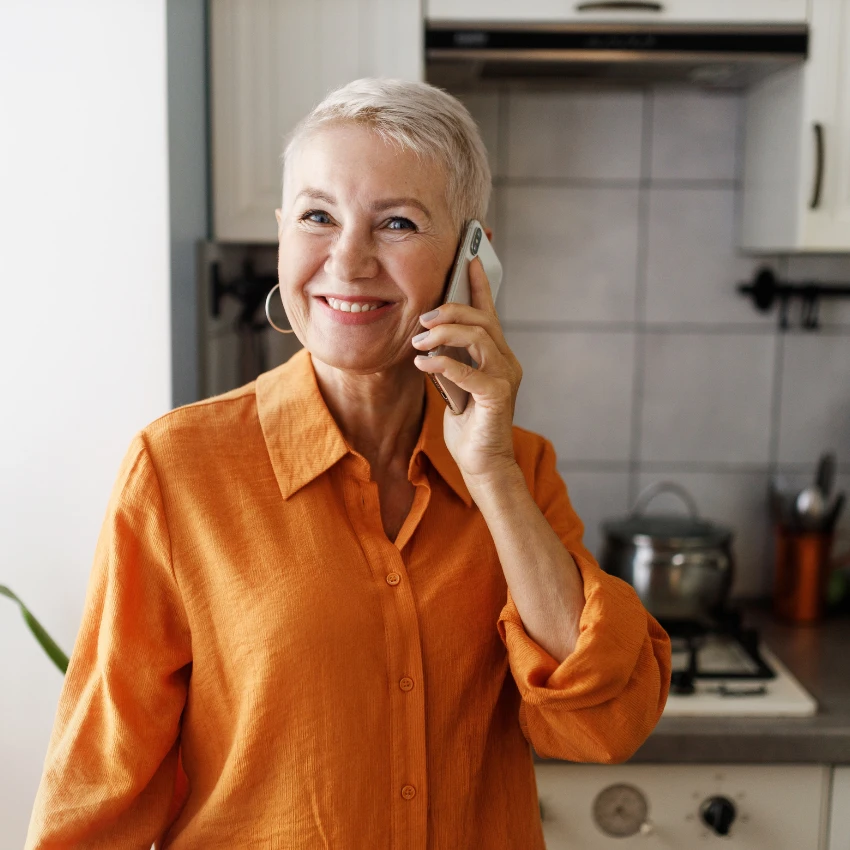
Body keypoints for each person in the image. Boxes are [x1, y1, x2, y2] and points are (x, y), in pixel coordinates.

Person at [26, 78, 671, 849]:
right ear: (282, 233)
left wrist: (491, 473)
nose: (348, 258)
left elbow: (600, 725)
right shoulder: (178, 470)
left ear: (474, 258)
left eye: (397, 222)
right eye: (317, 216)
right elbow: (99, 792)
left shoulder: (517, 471)